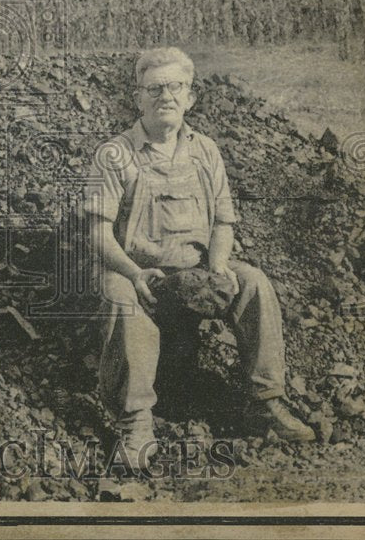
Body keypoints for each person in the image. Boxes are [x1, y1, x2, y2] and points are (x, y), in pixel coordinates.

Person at [89, 47, 314, 465]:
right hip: (140, 273)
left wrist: (218, 266)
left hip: (196, 269)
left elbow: (223, 222)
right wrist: (135, 273)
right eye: (154, 88)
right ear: (137, 97)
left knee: (255, 284)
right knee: (118, 294)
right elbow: (98, 234)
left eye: (176, 87)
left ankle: (263, 403)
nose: (166, 97)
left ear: (191, 97)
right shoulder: (115, 155)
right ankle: (135, 423)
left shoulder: (206, 150)